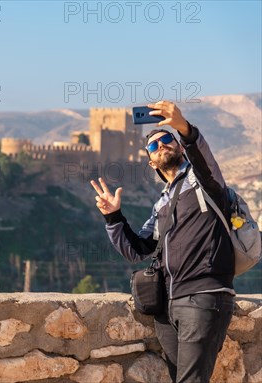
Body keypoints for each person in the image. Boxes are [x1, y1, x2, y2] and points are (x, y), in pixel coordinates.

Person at [90, 101, 235, 383]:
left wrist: (182, 127)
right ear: (151, 162)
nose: (161, 146)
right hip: (168, 307)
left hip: (204, 296)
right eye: (153, 147)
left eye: (166, 139)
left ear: (179, 146)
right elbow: (136, 251)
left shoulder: (204, 182)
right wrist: (113, 217)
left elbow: (202, 155)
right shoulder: (161, 204)